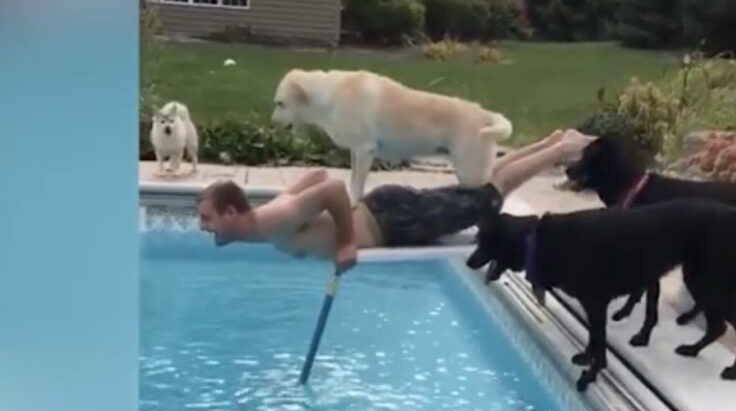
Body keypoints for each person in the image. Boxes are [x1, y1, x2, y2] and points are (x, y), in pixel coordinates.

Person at [196, 129, 596, 272]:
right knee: (476, 191)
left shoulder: (274, 220)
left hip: (393, 221)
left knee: (488, 198)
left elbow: (332, 188)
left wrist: (346, 242)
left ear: (231, 212)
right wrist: (328, 239)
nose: (203, 226)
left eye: (207, 218)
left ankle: (562, 151)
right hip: (387, 210)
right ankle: (549, 143)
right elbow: (315, 177)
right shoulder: (271, 218)